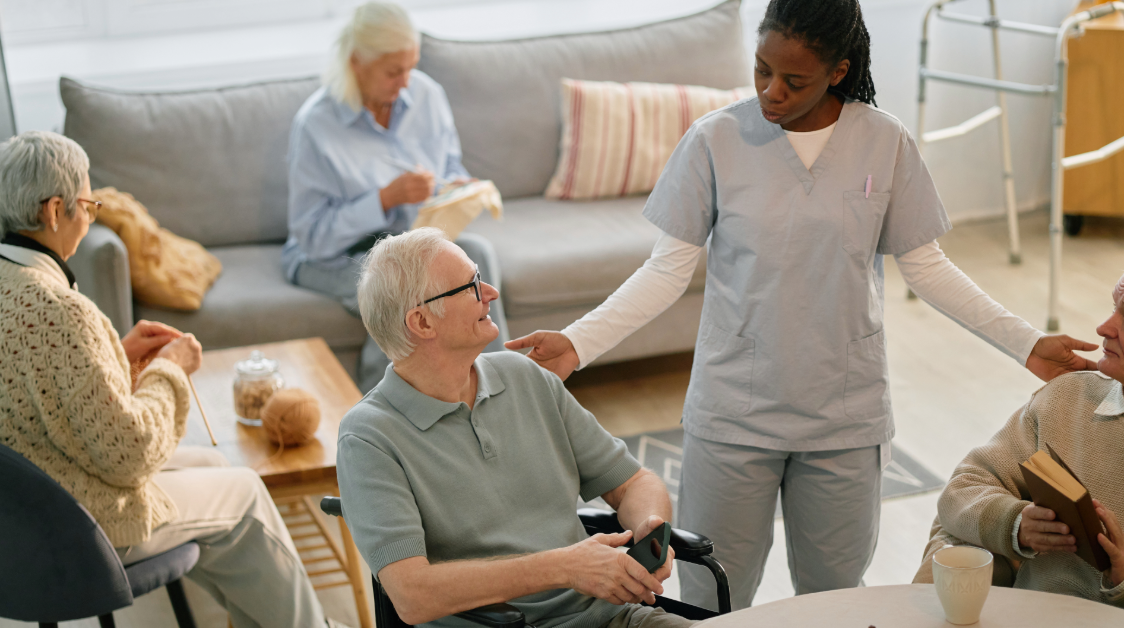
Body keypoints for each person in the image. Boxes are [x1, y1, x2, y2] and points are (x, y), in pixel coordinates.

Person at [505, 0, 1100, 611]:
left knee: (837, 597)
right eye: (762, 70)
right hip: (734, 413)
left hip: (843, 416)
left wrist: (1027, 343)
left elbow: (926, 267)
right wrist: (577, 343)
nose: (771, 91)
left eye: (794, 80)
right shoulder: (715, 140)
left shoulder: (884, 141)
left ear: (838, 71)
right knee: (711, 595)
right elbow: (667, 270)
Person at [0, 131, 345, 628]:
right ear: (55, 212)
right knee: (245, 491)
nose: (91, 215)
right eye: (88, 204)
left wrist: (113, 353)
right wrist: (170, 368)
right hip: (75, 521)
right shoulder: (58, 309)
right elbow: (129, 452)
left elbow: (37, 388)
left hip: (26, 507)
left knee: (211, 461)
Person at [336, 228, 701, 628]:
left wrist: (651, 528)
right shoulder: (368, 438)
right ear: (422, 322)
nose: (491, 292)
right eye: (471, 286)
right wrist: (565, 567)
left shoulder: (525, 376)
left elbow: (633, 482)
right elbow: (412, 594)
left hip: (615, 618)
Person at [915, 250, 1124, 627]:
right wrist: (1017, 524)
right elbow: (963, 489)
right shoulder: (1067, 398)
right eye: (1113, 308)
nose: (1104, 327)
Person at [283, 0, 508, 392]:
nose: (406, 82)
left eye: (411, 66)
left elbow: (449, 167)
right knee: (397, 289)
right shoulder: (315, 126)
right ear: (357, 62)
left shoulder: (427, 95)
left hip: (411, 242)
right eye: (393, 71)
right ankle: (384, 420)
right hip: (332, 255)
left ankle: (499, 392)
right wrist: (384, 199)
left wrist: (456, 188)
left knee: (478, 258)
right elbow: (313, 237)